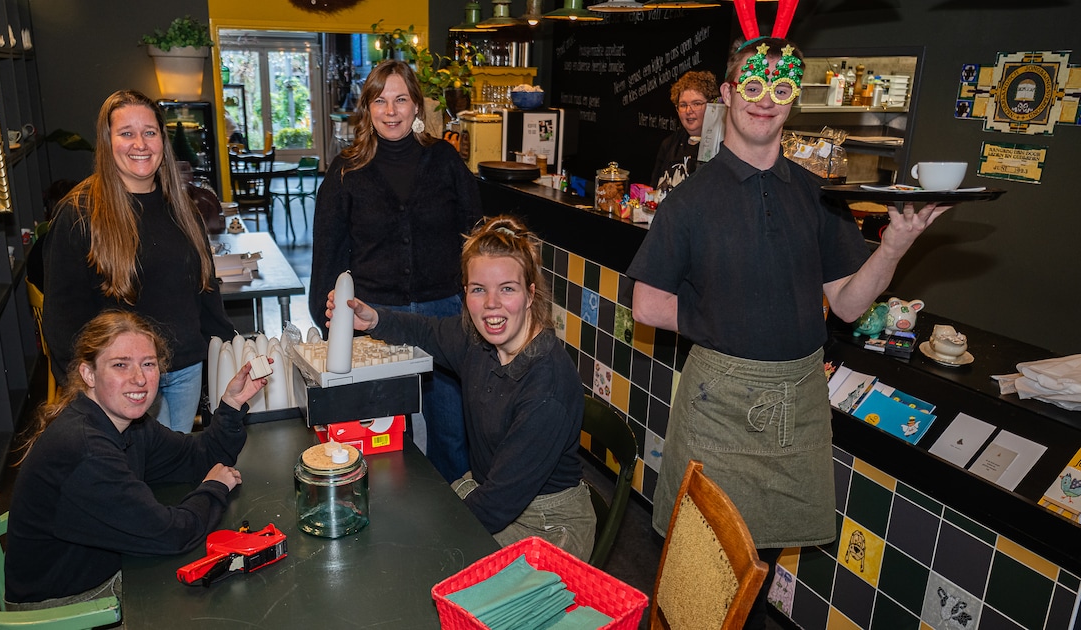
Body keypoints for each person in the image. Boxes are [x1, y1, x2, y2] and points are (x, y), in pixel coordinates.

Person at [628, 38, 950, 629]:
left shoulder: (815, 195)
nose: (765, 100)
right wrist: (729, 321)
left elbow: (849, 304)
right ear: (728, 95)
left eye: (781, 87)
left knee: (761, 568)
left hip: (798, 401)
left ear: (794, 98)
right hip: (719, 403)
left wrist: (895, 246)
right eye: (752, 85)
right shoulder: (691, 199)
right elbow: (646, 304)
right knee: (709, 571)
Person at [327, 216, 595, 559]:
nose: (491, 304)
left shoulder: (546, 387)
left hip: (547, 525)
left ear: (530, 295)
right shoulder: (477, 342)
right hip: (494, 493)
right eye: (478, 289)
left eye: (507, 289)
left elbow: (497, 505)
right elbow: (426, 331)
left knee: (419, 557)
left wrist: (425, 542)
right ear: (465, 292)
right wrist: (375, 319)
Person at [4, 310, 266, 609]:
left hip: (102, 568)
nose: (139, 379)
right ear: (88, 373)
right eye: (120, 365)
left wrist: (231, 405)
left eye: (148, 364)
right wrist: (213, 489)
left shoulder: (127, 423)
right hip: (64, 606)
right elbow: (169, 535)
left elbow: (199, 457)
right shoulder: (86, 450)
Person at [310, 59, 482, 483]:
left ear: (416, 106)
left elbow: (475, 234)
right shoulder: (346, 169)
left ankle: (453, 522)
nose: (391, 110)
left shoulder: (443, 159)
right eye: (380, 100)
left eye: (400, 99)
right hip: (376, 317)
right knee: (381, 431)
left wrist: (476, 296)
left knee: (451, 430)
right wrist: (329, 319)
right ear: (367, 109)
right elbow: (327, 253)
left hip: (444, 313)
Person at [43, 89, 235, 434]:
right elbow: (62, 318)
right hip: (123, 382)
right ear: (107, 141)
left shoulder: (182, 207)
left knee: (177, 472)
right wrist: (85, 389)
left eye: (149, 132)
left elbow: (205, 292)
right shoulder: (80, 213)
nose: (140, 144)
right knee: (135, 479)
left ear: (162, 139)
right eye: (126, 133)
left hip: (185, 370)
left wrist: (234, 350)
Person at [649, 70, 719, 195]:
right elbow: (653, 191)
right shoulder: (669, 144)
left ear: (712, 106)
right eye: (683, 105)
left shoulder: (720, 147)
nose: (689, 110)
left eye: (696, 104)